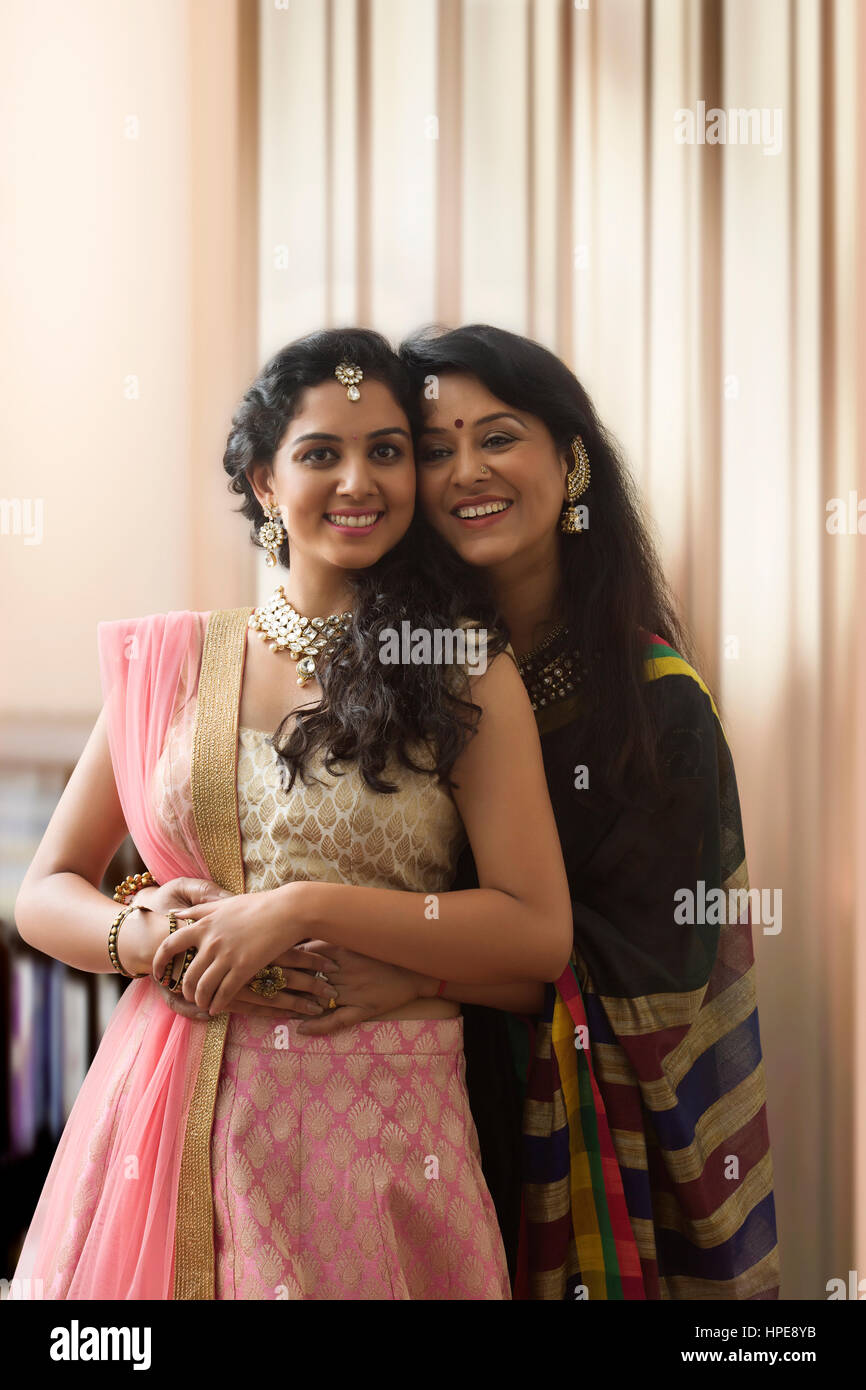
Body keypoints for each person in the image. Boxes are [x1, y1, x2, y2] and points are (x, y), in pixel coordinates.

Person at [10, 328, 573, 1301]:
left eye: (386, 451)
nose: (357, 480)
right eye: (321, 453)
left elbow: (535, 932)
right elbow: (42, 892)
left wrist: (301, 906)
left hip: (376, 1126)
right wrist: (134, 935)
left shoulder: (462, 671)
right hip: (164, 1104)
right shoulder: (171, 662)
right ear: (267, 483)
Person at [277, 323, 782, 1301]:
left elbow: (652, 973)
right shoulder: (392, 674)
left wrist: (423, 974)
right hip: (376, 1123)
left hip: (558, 1146)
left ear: (573, 458)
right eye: (429, 448)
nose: (465, 470)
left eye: (497, 436)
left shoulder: (651, 702)